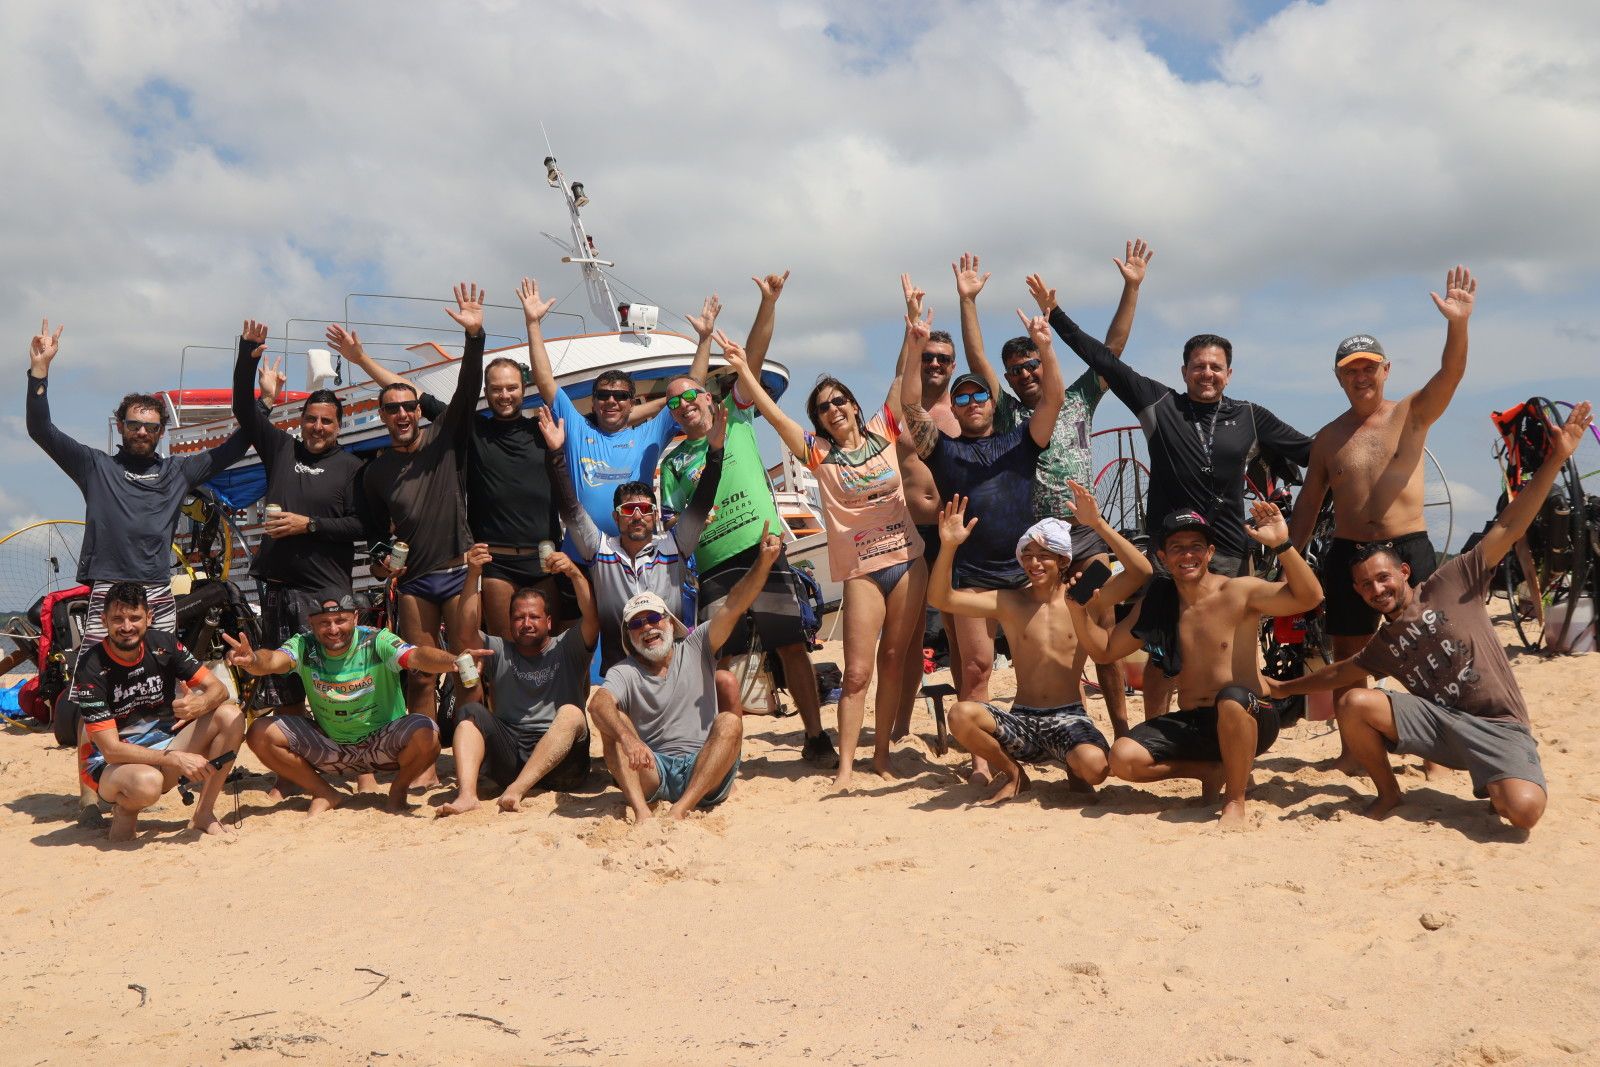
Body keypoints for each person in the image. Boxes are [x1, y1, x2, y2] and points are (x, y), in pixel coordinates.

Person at [1266, 403, 1591, 832]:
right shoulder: (1384, 645)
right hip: (1441, 730)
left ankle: (1498, 778)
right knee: (1354, 700)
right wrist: (1280, 687)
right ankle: (1389, 793)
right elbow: (1336, 674)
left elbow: (1510, 527)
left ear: (1404, 572)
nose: (1377, 590)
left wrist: (1556, 459)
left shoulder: (1454, 581)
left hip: (1497, 726)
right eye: (1366, 586)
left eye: (1383, 578)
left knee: (1524, 812)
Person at [1039, 288, 1312, 717]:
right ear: (1183, 371)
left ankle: (1232, 729)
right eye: (1199, 366)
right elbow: (1104, 361)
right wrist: (1056, 315)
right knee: (1163, 652)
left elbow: (1312, 451)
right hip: (1172, 555)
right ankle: (1156, 729)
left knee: (1229, 651)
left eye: (1216, 367)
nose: (1207, 373)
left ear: (1229, 373)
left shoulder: (1249, 416)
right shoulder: (1160, 404)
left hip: (1228, 554)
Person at [960, 241, 1156, 738]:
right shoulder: (1007, 412)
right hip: (1036, 544)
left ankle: (1119, 728)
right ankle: (1057, 720)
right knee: (1047, 639)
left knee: (1101, 631)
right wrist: (969, 301)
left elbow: (1111, 351)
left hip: (1084, 534)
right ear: (1008, 378)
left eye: (1032, 366)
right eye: (1017, 371)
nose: (1027, 374)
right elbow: (977, 358)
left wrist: (1130, 288)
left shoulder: (1079, 397)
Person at [1288, 267, 1477, 771]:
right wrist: (1288, 558)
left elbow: (1451, 375)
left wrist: (1457, 324)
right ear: (1338, 377)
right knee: (1349, 653)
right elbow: (1309, 503)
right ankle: (1355, 749)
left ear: (1386, 369)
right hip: (1347, 551)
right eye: (1351, 369)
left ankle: (1434, 752)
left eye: (1369, 367)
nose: (1361, 376)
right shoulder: (1328, 438)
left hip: (1407, 546)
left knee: (1424, 647)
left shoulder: (1410, 414)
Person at [721, 330, 925, 786]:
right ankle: (847, 766)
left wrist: (912, 332)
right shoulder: (818, 453)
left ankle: (884, 757)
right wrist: (742, 371)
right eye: (823, 408)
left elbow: (899, 377)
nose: (833, 410)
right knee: (856, 673)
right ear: (818, 420)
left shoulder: (883, 429)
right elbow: (773, 417)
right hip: (862, 571)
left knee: (894, 659)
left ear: (853, 405)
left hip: (908, 558)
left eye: (839, 402)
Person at [659, 300, 837, 769]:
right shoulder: (674, 464)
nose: (684, 406)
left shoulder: (734, 417)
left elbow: (754, 356)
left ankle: (816, 736)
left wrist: (769, 302)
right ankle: (728, 745)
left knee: (790, 645)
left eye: (690, 397)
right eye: (674, 403)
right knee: (719, 658)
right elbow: (680, 529)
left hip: (764, 551)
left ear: (707, 399)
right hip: (716, 567)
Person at [1071, 504, 1324, 828]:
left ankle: (1234, 801)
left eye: (1196, 547)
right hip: (1196, 722)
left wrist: (1282, 545)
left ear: (1210, 552)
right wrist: (1078, 613)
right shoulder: (1161, 601)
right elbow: (1106, 650)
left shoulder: (1238, 592)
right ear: (1162, 556)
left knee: (1231, 699)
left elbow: (1309, 597)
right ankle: (1211, 770)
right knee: (1123, 757)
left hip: (1252, 715)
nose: (1187, 555)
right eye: (1177, 548)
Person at [901, 307, 1065, 781]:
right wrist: (915, 347)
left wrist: (1047, 346)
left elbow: (1052, 400)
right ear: (953, 409)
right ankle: (982, 762)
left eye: (979, 394)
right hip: (971, 578)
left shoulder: (1021, 441)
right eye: (962, 396)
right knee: (975, 672)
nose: (972, 401)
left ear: (993, 402)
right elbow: (909, 408)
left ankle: (1044, 740)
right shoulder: (945, 450)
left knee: (1044, 664)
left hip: (1024, 574)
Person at [328, 319, 561, 640]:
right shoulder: (470, 429)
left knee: (547, 651)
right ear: (486, 392)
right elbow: (412, 398)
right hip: (495, 564)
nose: (505, 395)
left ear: (524, 389)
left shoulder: (544, 430)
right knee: (501, 653)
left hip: (544, 559)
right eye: (496, 389)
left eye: (511, 388)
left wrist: (532, 322)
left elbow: (594, 422)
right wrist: (362, 360)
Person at [25, 319, 251, 644]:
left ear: (161, 432)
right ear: (120, 426)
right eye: (134, 424)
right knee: (98, 682)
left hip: (157, 590)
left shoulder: (178, 472)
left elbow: (234, 448)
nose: (142, 432)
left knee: (161, 679)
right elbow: (41, 429)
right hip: (108, 589)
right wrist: (39, 371)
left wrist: (264, 404)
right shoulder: (94, 466)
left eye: (151, 427)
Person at [931, 483, 1152, 804]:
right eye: (1028, 556)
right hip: (1023, 719)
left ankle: (1073, 768)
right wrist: (948, 548)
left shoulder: (1081, 597)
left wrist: (1099, 524)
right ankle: (1015, 774)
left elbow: (1141, 571)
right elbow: (941, 598)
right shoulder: (1012, 602)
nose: (1034, 563)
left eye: (1044, 556)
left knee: (1095, 769)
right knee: (961, 715)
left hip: (1069, 718)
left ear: (1063, 560)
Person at [588, 523, 783, 821]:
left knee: (729, 722)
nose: (648, 627)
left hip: (703, 767)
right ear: (629, 637)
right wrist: (628, 738)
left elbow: (734, 604)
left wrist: (763, 562)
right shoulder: (624, 671)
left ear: (669, 621)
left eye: (653, 618)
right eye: (637, 624)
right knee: (613, 723)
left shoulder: (696, 645)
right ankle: (642, 811)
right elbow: (597, 703)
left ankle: (681, 809)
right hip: (655, 769)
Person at [228, 592, 487, 815]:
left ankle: (398, 790)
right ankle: (324, 792)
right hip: (331, 744)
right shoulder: (304, 644)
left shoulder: (377, 640)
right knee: (259, 732)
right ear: (311, 623)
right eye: (324, 623)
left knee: (427, 730)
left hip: (384, 744)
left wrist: (451, 661)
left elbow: (417, 655)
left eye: (340, 620)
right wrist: (252, 661)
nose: (333, 629)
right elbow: (273, 660)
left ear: (354, 617)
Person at [358, 283, 486, 730]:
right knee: (420, 675)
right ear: (383, 416)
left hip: (457, 570)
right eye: (392, 409)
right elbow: (375, 534)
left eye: (409, 406)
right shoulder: (374, 473)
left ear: (418, 409)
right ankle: (423, 760)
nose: (402, 415)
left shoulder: (443, 439)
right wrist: (379, 563)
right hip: (414, 582)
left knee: (468, 669)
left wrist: (475, 338)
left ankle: (478, 758)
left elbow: (469, 390)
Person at [232, 320, 366, 723]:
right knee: (284, 684)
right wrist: (246, 355)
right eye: (311, 419)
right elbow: (243, 409)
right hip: (278, 588)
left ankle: (344, 757)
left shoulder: (352, 468)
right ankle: (290, 770)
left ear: (338, 426)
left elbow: (363, 526)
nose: (317, 427)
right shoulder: (281, 449)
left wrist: (308, 525)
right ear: (301, 420)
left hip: (326, 592)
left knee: (334, 684)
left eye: (326, 421)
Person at [519, 277, 719, 539]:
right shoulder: (578, 431)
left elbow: (690, 391)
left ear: (632, 402)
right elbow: (546, 382)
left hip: (635, 553)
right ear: (593, 403)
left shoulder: (649, 436)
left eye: (620, 395)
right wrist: (533, 324)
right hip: (583, 557)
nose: (611, 401)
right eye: (603, 395)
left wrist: (705, 339)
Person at [543, 403, 727, 672]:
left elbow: (702, 501)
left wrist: (715, 452)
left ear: (655, 515)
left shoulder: (675, 545)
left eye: (645, 510)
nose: (638, 516)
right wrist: (556, 454)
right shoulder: (599, 549)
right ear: (616, 518)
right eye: (629, 510)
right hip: (622, 671)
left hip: (673, 666)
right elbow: (569, 507)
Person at [69, 582, 244, 842]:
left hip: (165, 744)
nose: (127, 627)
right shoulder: (91, 665)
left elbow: (218, 690)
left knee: (231, 716)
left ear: (149, 617)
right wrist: (175, 759)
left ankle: (204, 813)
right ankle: (125, 810)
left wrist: (199, 704)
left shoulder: (164, 644)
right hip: (113, 765)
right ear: (103, 620)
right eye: (117, 619)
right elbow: (111, 749)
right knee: (147, 782)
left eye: (135, 617)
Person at [438, 543, 598, 816]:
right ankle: (467, 795)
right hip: (512, 753)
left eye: (534, 617)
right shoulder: (499, 650)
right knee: (470, 713)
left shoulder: (567, 646)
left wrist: (573, 573)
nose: (526, 623)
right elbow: (464, 632)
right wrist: (473, 575)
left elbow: (592, 617)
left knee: (572, 714)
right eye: (519, 617)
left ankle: (517, 790)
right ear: (510, 622)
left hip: (563, 762)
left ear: (548, 622)